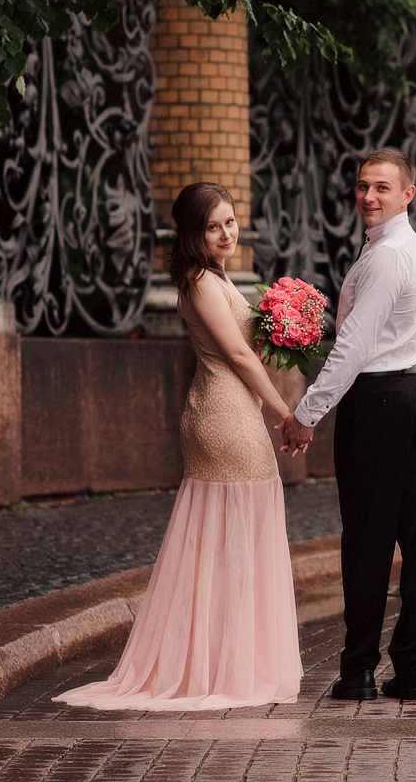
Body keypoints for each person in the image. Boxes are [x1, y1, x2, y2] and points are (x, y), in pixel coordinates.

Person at [56, 182, 302, 711]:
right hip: (225, 413)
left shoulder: (215, 278)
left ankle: (224, 658)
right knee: (236, 527)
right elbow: (236, 355)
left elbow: (246, 346)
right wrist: (288, 412)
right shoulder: (199, 281)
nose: (225, 233)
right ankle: (223, 666)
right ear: (192, 234)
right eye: (213, 226)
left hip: (228, 410)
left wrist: (284, 327)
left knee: (228, 531)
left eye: (230, 222)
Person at [282, 148, 416, 702]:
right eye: (362, 186)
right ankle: (414, 670)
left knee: (369, 538)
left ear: (407, 194)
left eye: (382, 188)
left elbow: (351, 346)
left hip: (382, 400)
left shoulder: (386, 257)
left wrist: (306, 414)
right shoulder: (409, 248)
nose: (368, 197)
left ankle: (360, 673)